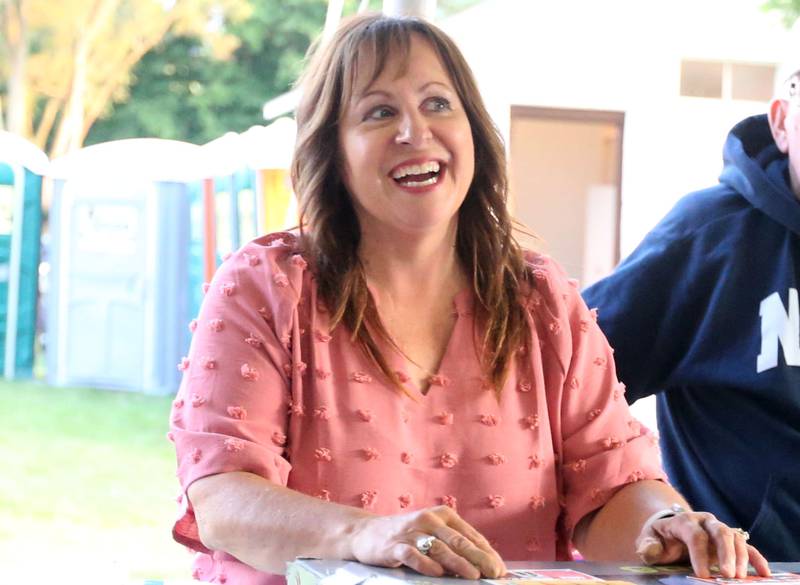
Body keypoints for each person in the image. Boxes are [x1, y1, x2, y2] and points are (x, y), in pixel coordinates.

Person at [168, 14, 770, 585]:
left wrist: (664, 527)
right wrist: (365, 535)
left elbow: (610, 484)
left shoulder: (541, 300)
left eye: (437, 104)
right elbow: (221, 498)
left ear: (473, 132)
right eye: (379, 113)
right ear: (333, 152)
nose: (415, 132)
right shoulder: (267, 285)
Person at [582, 59, 800, 561]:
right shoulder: (709, 238)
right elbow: (570, 385)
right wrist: (653, 505)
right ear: (782, 121)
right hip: (745, 570)